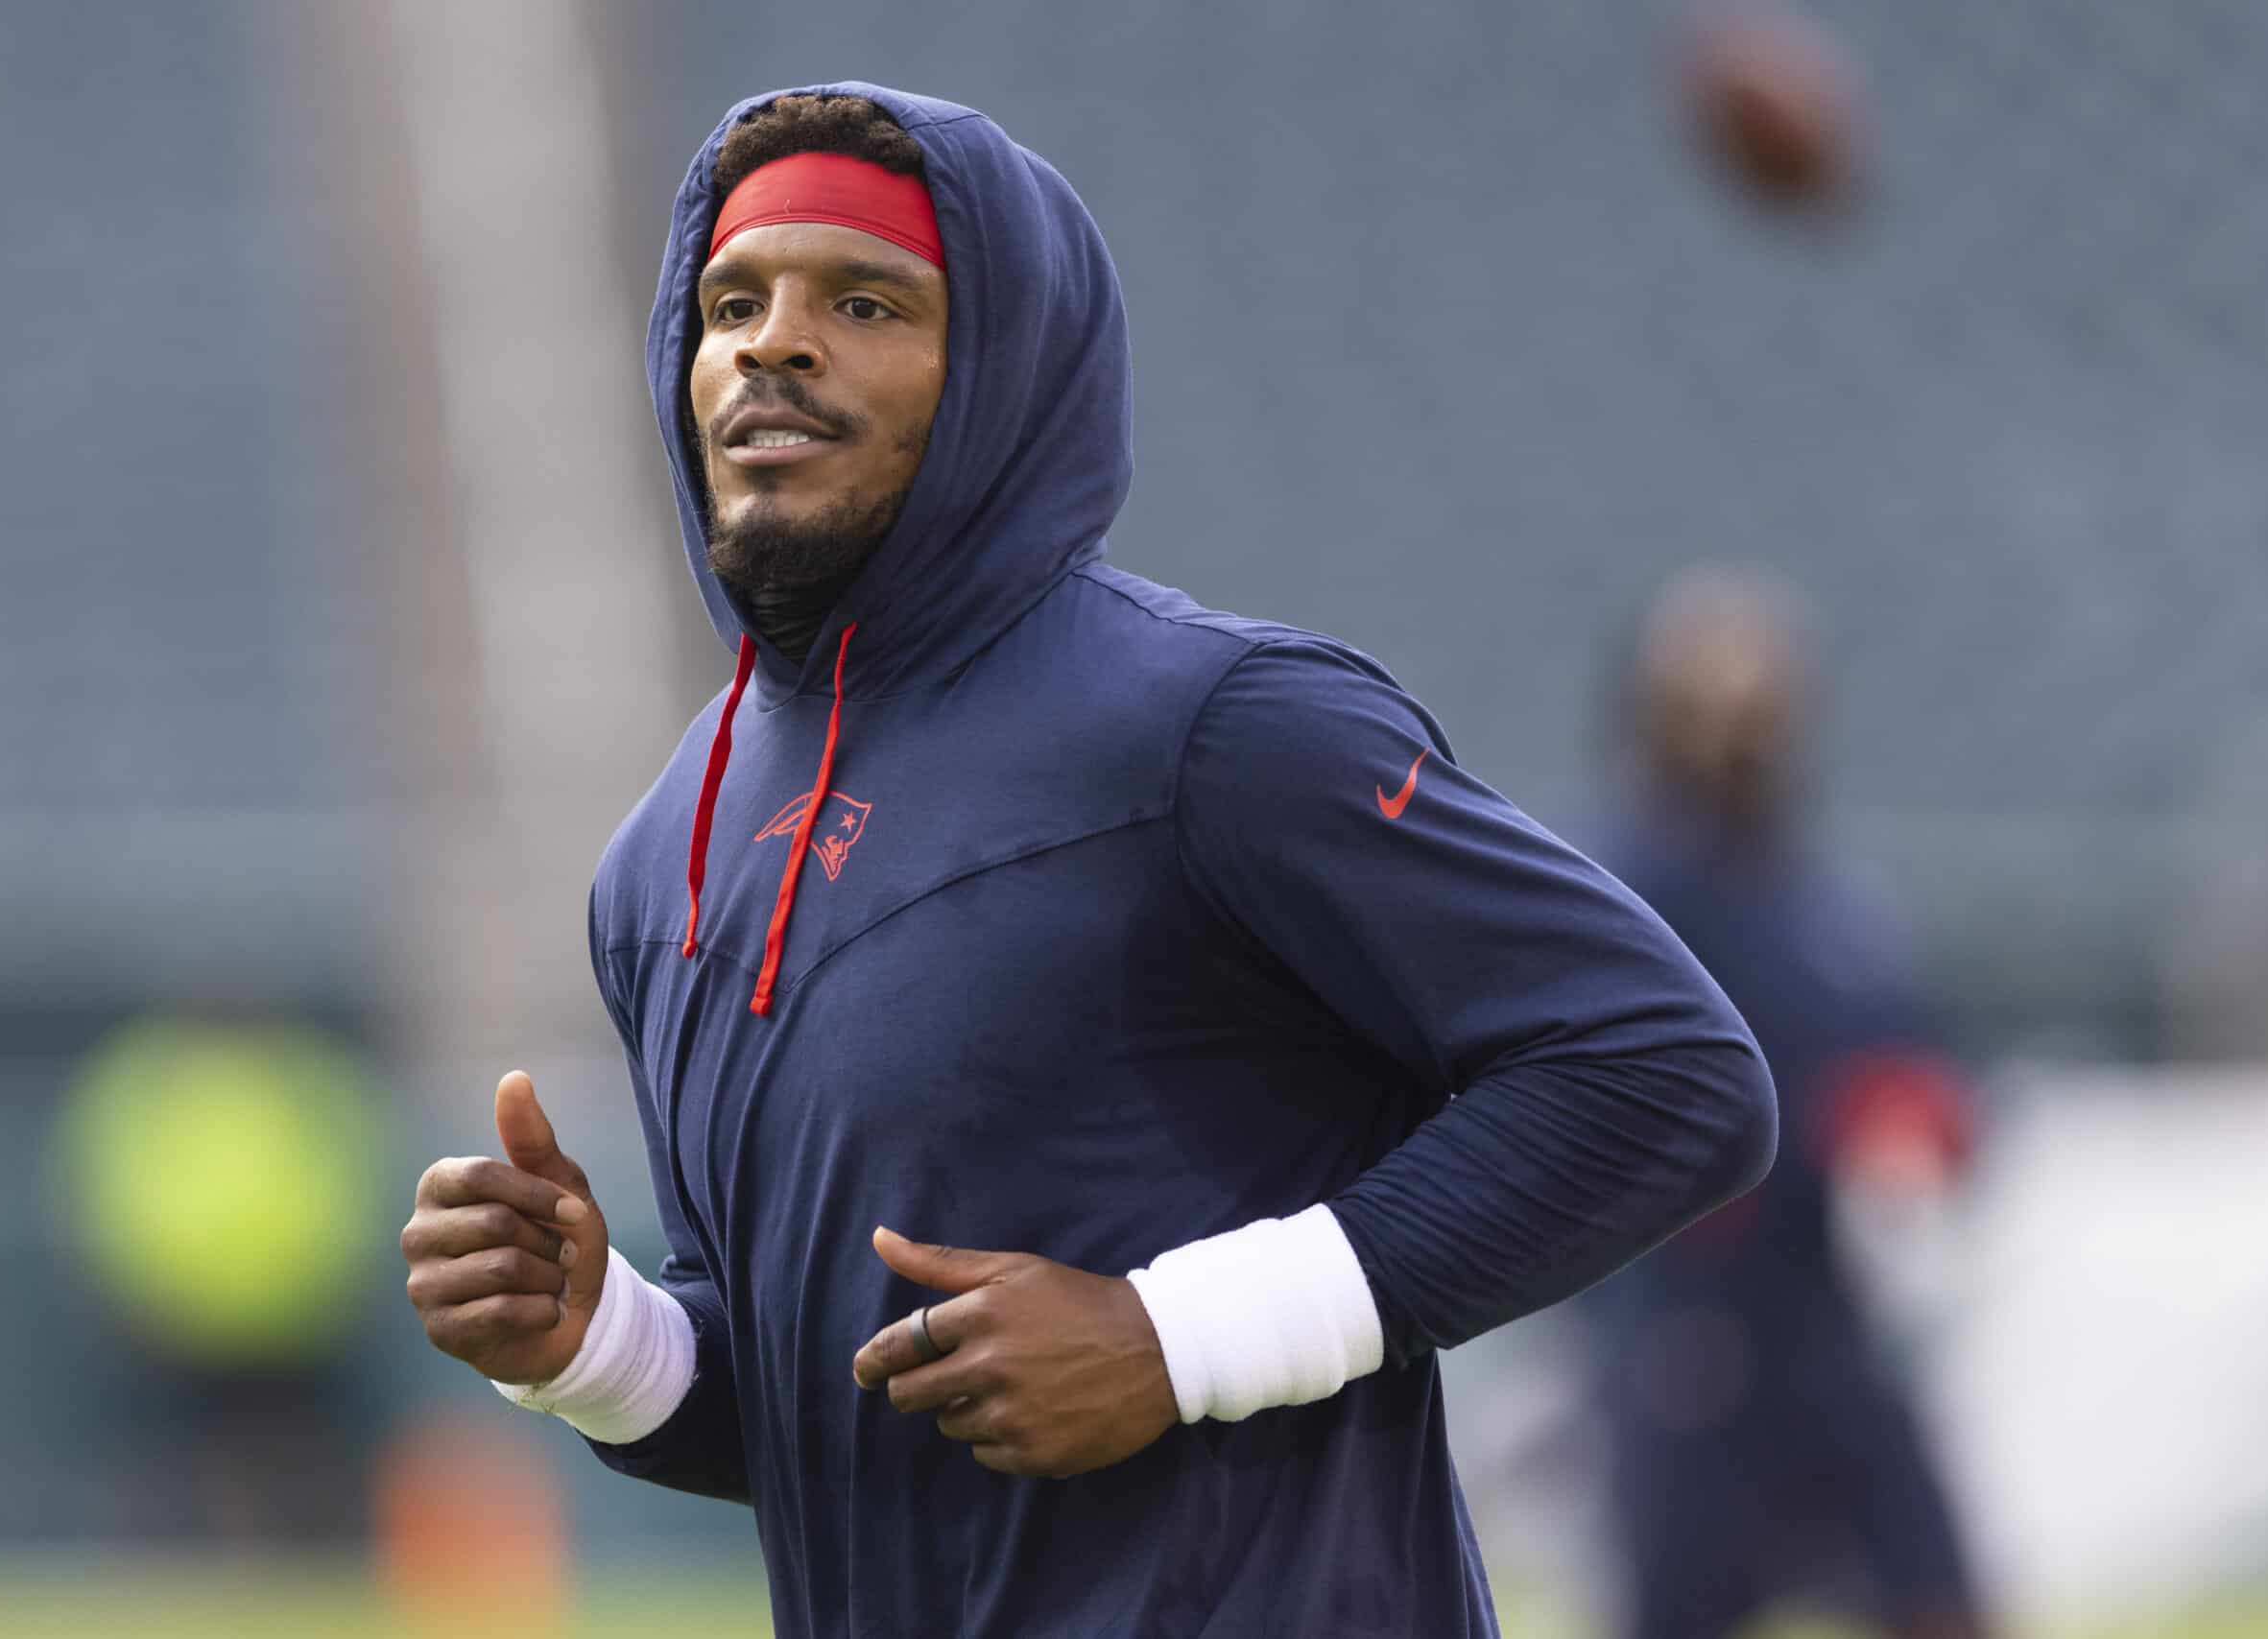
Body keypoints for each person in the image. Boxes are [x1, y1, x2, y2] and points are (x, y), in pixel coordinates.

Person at [398, 85, 1777, 1635]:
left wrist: (1172, 1338)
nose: (772, 345)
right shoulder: (664, 858)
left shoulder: (1218, 722)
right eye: (733, 302)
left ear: (998, 371)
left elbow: (1664, 1070)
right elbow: (833, 1404)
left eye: (864, 301)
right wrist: (593, 1339)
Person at [1590, 567, 1984, 1639]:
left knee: (1935, 1590)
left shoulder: (1827, 898)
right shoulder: (1613, 887)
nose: (1734, 735)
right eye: (1706, 705)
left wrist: (1917, 1131)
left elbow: (1932, 1062)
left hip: (1835, 1322)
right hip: (1692, 1325)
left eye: (1757, 706)